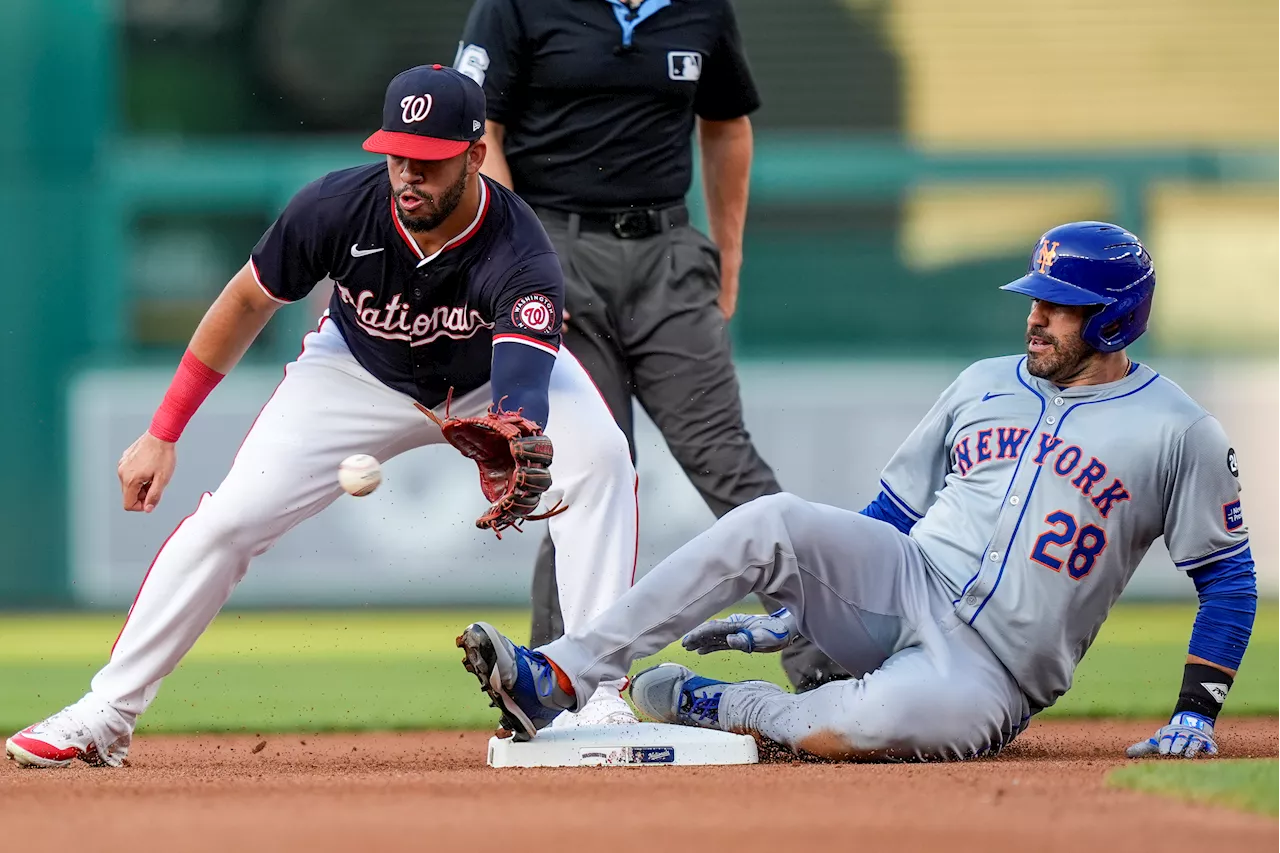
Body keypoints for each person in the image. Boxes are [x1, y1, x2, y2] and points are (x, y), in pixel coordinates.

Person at [5, 64, 641, 769]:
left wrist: (513, 432)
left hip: (484, 380)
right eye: (398, 153)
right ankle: (106, 714)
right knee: (228, 521)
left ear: (474, 155)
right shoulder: (336, 207)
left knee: (603, 460)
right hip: (354, 372)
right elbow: (247, 301)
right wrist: (164, 430)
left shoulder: (520, 250)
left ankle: (597, 689)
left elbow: (523, 384)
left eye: (429, 161)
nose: (409, 174)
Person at [455, 221, 1258, 761]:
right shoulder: (983, 382)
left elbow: (1226, 577)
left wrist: (1197, 709)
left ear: (1115, 320)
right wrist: (798, 604)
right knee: (772, 520)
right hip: (909, 577)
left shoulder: (1177, 431)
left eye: (1062, 307)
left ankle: (720, 705)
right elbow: (890, 516)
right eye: (1037, 300)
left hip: (994, 672)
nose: (1036, 317)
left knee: (848, 726)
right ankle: (559, 674)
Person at [453, 0, 850, 692]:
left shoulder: (700, 8)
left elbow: (726, 126)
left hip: (667, 252)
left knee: (727, 462)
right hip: (555, 246)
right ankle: (550, 686)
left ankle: (828, 667)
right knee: (590, 470)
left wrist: (728, 255)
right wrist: (521, 266)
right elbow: (482, 131)